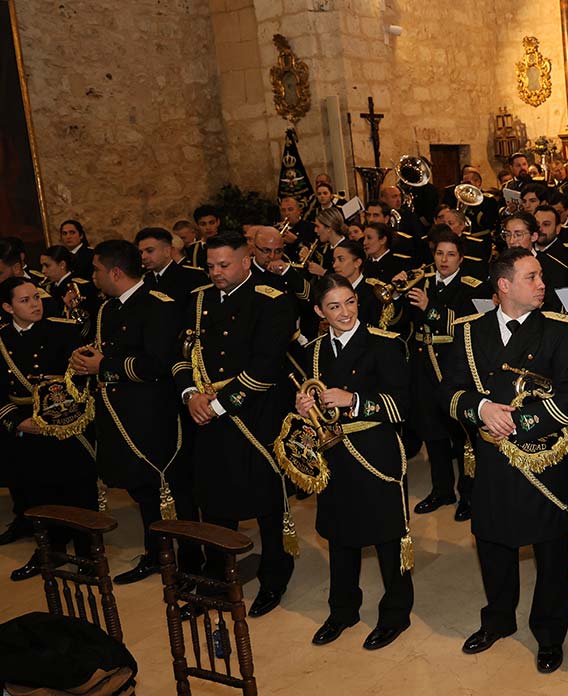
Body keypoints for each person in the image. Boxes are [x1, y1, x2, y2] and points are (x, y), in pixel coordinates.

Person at [440, 247, 568, 674]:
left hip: (541, 460)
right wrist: (481, 409)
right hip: (490, 460)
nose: (542, 285)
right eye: (531, 277)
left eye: (541, 276)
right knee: (493, 543)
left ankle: (548, 634)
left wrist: (519, 423)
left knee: (549, 552)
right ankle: (499, 621)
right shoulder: (469, 331)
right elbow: (448, 391)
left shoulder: (560, 330)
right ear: (503, 286)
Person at [173, 231, 298, 618]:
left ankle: (275, 573)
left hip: (255, 415)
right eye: (210, 265)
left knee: (264, 499)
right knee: (213, 500)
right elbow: (180, 356)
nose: (216, 273)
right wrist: (190, 395)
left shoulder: (272, 299)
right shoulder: (197, 300)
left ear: (246, 262)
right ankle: (218, 576)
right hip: (206, 415)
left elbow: (265, 367)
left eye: (224, 265)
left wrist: (219, 405)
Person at [68, 239, 203, 585]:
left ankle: (191, 562)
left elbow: (157, 365)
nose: (93, 277)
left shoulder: (159, 305)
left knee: (174, 492)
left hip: (154, 417)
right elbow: (104, 353)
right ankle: (156, 553)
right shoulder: (107, 309)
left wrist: (105, 366)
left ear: (114, 271)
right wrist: (86, 362)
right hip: (117, 415)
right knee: (141, 492)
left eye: (97, 270)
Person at [297, 274, 416, 651]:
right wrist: (303, 405)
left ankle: (396, 614)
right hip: (333, 455)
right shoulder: (313, 350)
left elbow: (403, 406)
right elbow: (311, 397)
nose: (345, 312)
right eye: (334, 306)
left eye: (350, 302)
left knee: (387, 537)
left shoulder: (385, 343)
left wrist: (355, 400)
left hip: (376, 453)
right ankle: (343, 610)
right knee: (340, 535)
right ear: (319, 311)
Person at [0, 277, 97, 581]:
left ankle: (88, 554)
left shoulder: (63, 330)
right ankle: (48, 551)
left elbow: (84, 377)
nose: (35, 304)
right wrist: (17, 420)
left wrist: (64, 415)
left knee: (78, 490)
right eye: (25, 300)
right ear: (7, 307)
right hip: (27, 424)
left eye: (37, 297)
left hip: (66, 422)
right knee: (38, 493)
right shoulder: (1, 341)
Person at [407, 228, 484, 521]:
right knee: (431, 431)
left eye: (451, 254)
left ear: (461, 258)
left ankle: (469, 493)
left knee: (461, 435)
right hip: (423, 366)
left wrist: (430, 308)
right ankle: (441, 490)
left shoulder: (471, 286)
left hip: (454, 367)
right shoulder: (422, 281)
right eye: (439, 253)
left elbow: (465, 326)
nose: (444, 260)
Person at [136, 227, 207, 301]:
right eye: (141, 252)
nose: (143, 257)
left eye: (150, 251)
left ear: (167, 251)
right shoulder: (144, 279)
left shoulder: (192, 276)